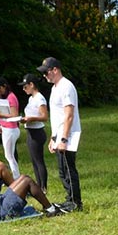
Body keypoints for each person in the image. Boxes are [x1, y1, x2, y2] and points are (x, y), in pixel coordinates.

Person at [38, 57, 82, 212]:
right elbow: (57, 116)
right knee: (62, 171)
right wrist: (53, 138)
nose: (45, 76)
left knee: (69, 170)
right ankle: (69, 199)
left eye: (46, 72)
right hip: (59, 134)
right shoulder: (55, 88)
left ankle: (76, 203)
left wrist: (63, 138)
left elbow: (69, 115)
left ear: (55, 70)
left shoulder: (66, 86)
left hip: (68, 135)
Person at [19, 74, 49, 193]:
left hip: (37, 132)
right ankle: (38, 186)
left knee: (39, 160)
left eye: (25, 86)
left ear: (32, 85)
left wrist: (31, 119)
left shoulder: (39, 98)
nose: (23, 89)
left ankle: (43, 187)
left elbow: (44, 117)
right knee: (34, 160)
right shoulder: (31, 98)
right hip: (30, 131)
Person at [0, 77, 22, 183]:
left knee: (9, 156)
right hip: (6, 128)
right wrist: (1, 123)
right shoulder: (6, 97)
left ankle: (16, 178)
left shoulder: (11, 97)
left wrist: (0, 115)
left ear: (4, 86)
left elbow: (14, 115)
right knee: (9, 155)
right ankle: (15, 177)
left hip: (11, 130)